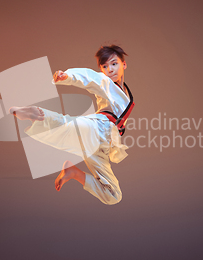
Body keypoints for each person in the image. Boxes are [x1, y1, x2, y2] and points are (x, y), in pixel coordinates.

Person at [9, 45, 134, 205]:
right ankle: (36, 113)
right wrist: (66, 76)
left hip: (102, 146)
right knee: (69, 125)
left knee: (113, 195)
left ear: (124, 64)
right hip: (98, 127)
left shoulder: (123, 91)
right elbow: (89, 78)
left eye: (114, 64)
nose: (110, 69)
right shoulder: (105, 82)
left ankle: (73, 172)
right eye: (105, 66)